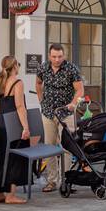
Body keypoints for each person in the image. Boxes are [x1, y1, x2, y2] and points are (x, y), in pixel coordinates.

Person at [36, 43, 84, 194]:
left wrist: (73, 103)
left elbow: (80, 89)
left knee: (67, 147)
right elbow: (38, 83)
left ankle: (67, 180)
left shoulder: (71, 69)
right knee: (49, 147)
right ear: (49, 56)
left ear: (64, 56)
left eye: (60, 56)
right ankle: (52, 181)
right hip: (48, 113)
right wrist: (41, 100)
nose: (57, 59)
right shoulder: (43, 68)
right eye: (54, 56)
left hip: (66, 113)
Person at [0, 56, 30, 205]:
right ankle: (11, 195)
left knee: (0, 156)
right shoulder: (17, 83)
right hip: (14, 123)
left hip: (1, 122)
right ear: (15, 67)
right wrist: (25, 127)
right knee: (15, 157)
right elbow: (20, 107)